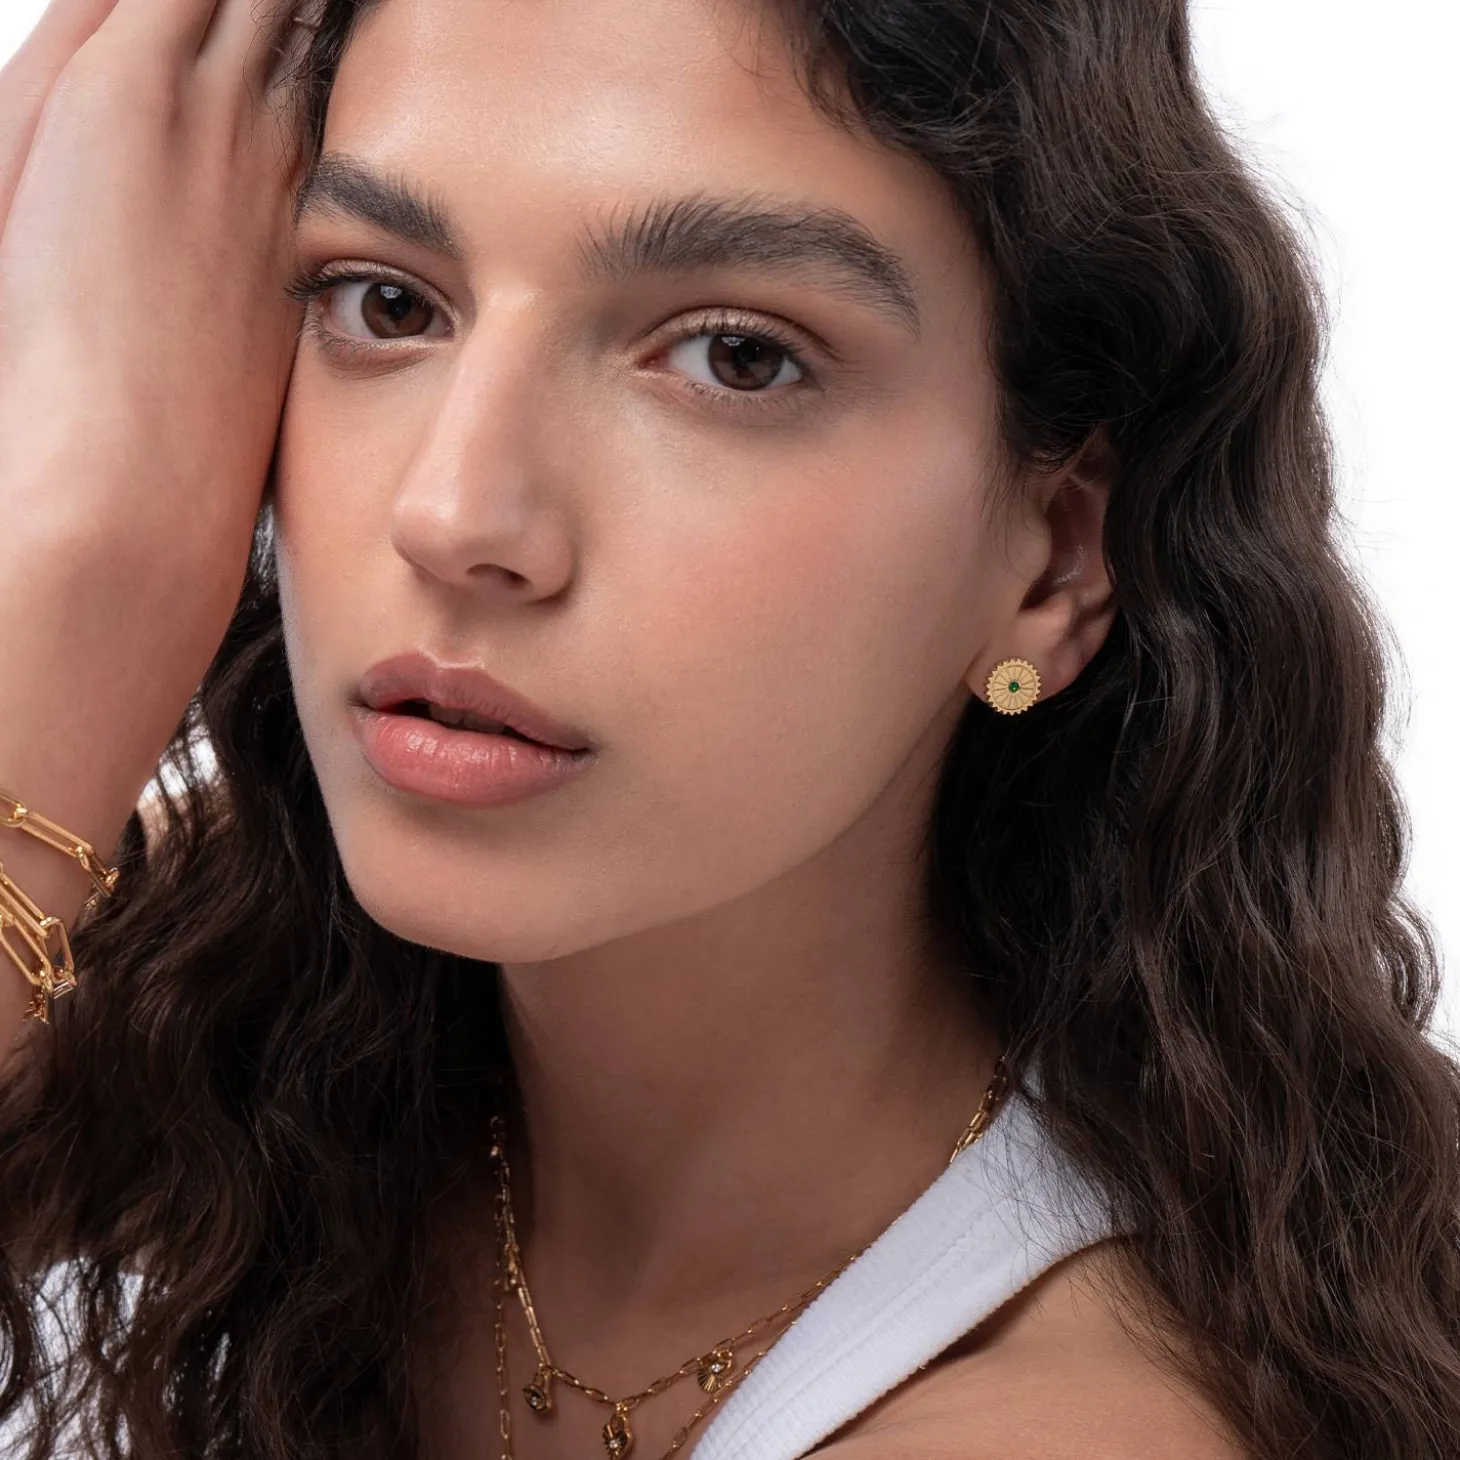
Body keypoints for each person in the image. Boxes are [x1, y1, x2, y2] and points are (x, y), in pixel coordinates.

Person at [0, 0, 1457, 1455]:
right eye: (386, 304)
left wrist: (61, 607)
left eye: (736, 359)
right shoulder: (201, 969)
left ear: (1056, 562)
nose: (453, 515)